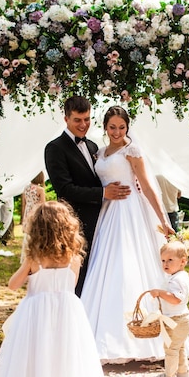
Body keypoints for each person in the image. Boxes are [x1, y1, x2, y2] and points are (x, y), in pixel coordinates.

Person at [0, 201, 110, 377]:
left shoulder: (34, 259)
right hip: (65, 314)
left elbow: (12, 285)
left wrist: (27, 266)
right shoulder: (73, 258)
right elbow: (71, 286)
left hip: (34, 314)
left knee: (23, 361)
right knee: (60, 363)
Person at [81, 105, 175, 364]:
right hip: (108, 213)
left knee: (128, 265)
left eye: (122, 127)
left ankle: (142, 335)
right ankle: (103, 334)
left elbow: (146, 185)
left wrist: (163, 219)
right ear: (105, 127)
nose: (117, 132)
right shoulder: (99, 152)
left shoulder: (132, 151)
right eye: (112, 127)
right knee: (104, 267)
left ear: (127, 127)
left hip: (130, 212)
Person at [44, 96, 130, 295]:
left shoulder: (93, 146)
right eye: (77, 120)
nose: (83, 125)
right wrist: (103, 193)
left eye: (87, 119)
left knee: (97, 276)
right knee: (77, 277)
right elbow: (64, 189)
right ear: (66, 119)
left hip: (102, 222)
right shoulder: (55, 148)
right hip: (75, 224)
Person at [148, 240, 189, 377]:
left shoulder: (176, 280)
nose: (165, 264)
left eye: (170, 260)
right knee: (179, 347)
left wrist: (160, 293)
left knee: (171, 349)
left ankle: (170, 375)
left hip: (176, 320)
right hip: (182, 317)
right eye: (163, 260)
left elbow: (175, 299)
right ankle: (182, 371)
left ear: (182, 261)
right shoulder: (180, 276)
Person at [20, 171, 46, 262]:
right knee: (36, 236)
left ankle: (25, 256)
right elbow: (43, 205)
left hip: (28, 212)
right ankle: (35, 257)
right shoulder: (40, 190)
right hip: (36, 213)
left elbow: (24, 204)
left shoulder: (26, 188)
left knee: (27, 236)